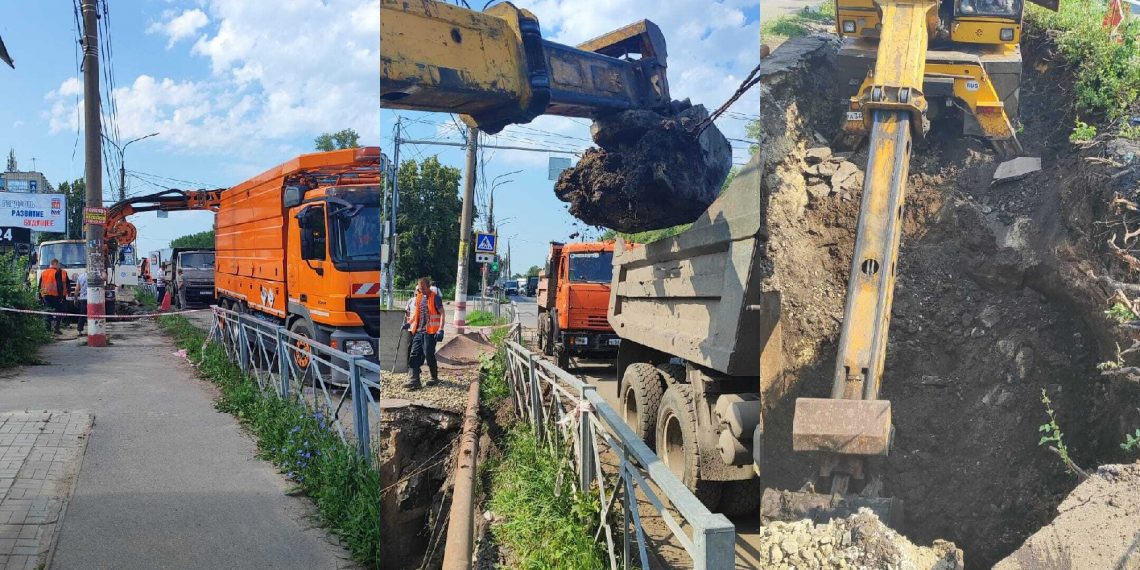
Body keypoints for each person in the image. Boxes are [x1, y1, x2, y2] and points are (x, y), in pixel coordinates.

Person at [402, 276, 445, 390]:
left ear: (429, 286)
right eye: (420, 289)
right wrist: (409, 323)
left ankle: (434, 377)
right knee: (414, 354)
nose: (422, 291)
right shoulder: (419, 298)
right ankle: (414, 380)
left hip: (430, 332)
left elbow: (442, 314)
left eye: (424, 289)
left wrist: (441, 329)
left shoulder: (435, 298)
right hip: (418, 331)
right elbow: (417, 314)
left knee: (429, 354)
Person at [37, 259, 70, 334]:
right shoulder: (58, 272)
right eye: (58, 264)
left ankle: (47, 329)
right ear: (55, 264)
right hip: (56, 296)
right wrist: (61, 297)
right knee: (59, 311)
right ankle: (56, 328)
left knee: (48, 311)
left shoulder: (44, 272)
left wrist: (40, 296)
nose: (59, 266)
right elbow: (59, 285)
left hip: (45, 295)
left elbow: (40, 285)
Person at [75, 270, 89, 335]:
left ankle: (80, 331)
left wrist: (76, 298)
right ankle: (94, 330)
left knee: (82, 315)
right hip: (93, 299)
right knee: (94, 315)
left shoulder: (80, 276)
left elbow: (77, 289)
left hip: (83, 299)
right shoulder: (96, 275)